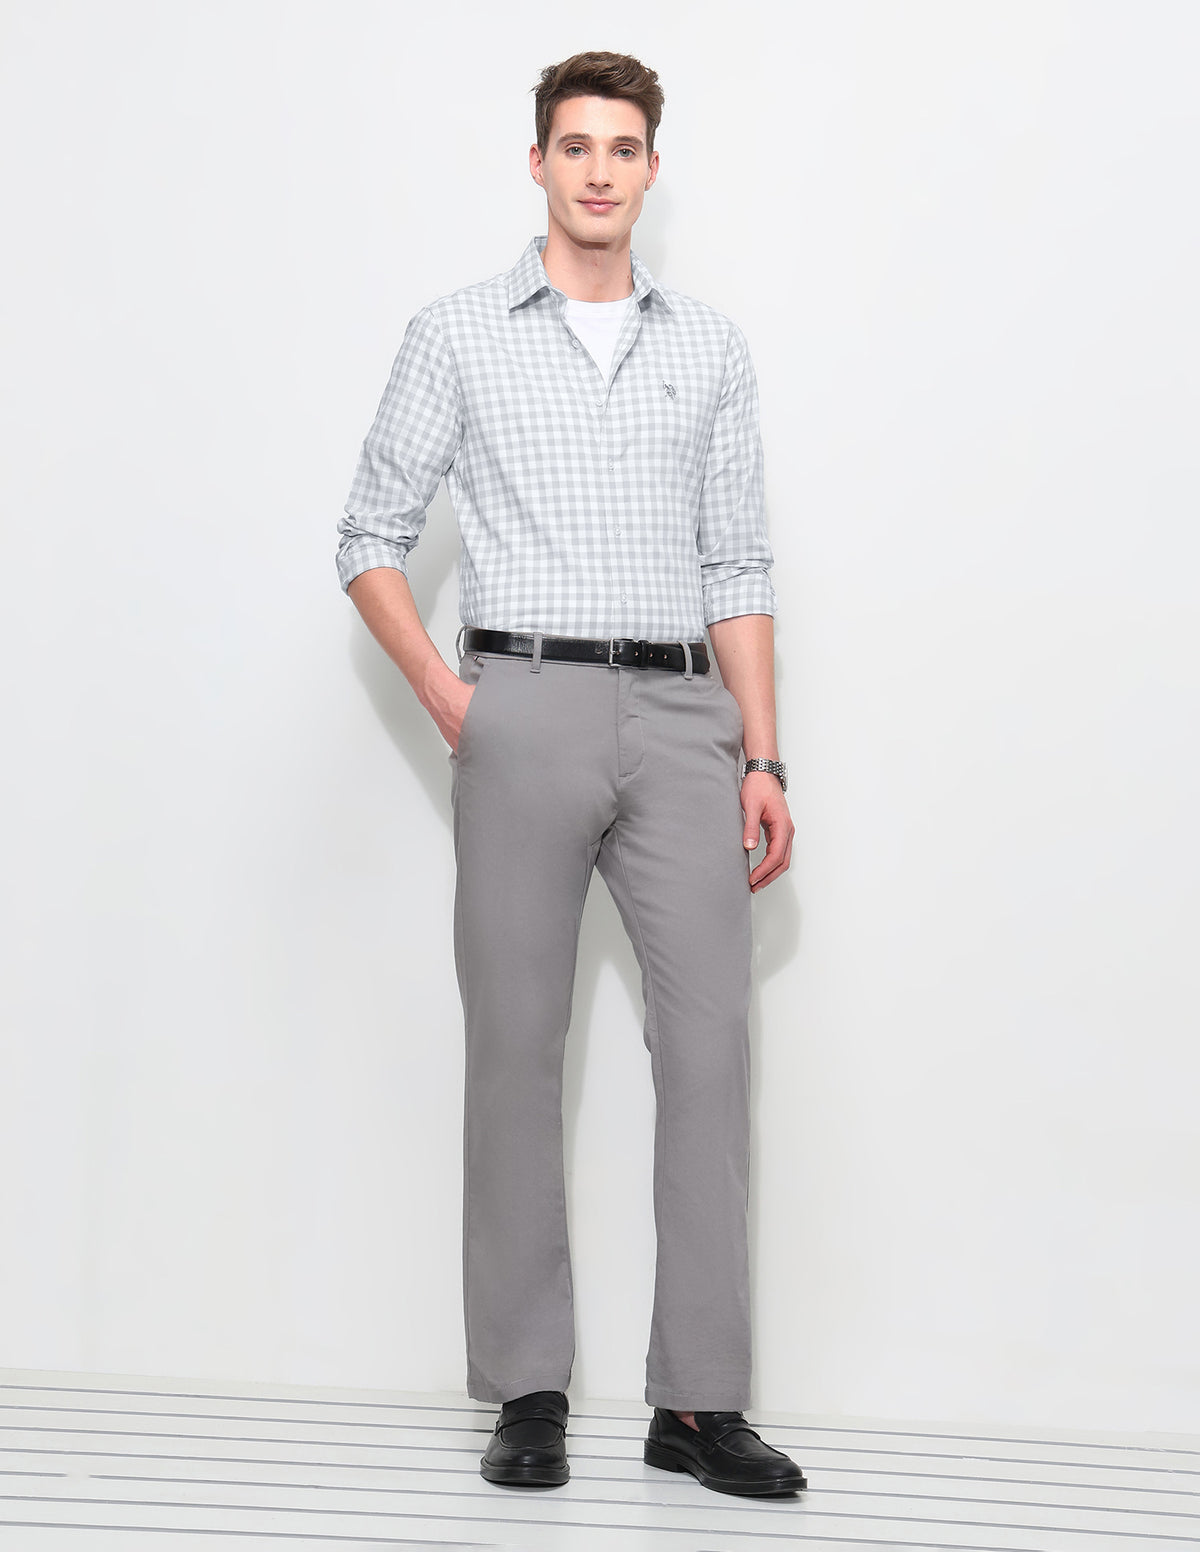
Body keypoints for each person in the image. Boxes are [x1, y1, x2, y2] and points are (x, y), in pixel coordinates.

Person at [336, 51, 805, 1499]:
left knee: (710, 1049)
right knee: (517, 1049)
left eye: (625, 148)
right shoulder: (456, 334)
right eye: (577, 145)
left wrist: (764, 751)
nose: (600, 170)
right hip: (522, 702)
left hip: (681, 717)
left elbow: (738, 564)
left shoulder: (709, 347)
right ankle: (527, 1389)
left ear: (653, 170)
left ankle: (698, 1405)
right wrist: (452, 698)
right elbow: (368, 535)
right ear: (536, 163)